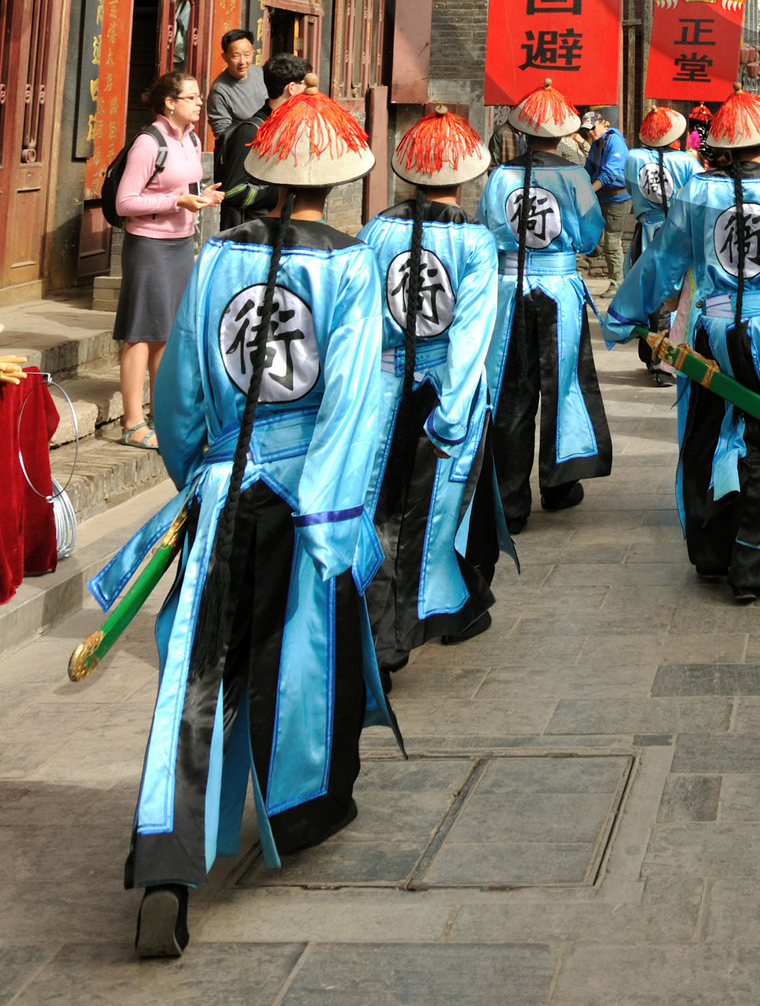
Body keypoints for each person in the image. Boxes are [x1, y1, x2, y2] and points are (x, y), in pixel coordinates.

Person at [105, 92, 390, 958]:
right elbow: (351, 402)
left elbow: (183, 394)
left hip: (224, 484)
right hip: (305, 492)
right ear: (338, 182)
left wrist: (194, 475)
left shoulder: (218, 256)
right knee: (300, 659)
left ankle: (166, 861)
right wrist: (333, 515)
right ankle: (299, 807)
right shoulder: (350, 266)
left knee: (198, 673)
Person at [604, 89, 760, 603]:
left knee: (706, 433)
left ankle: (711, 553)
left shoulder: (698, 190)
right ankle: (752, 564)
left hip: (708, 331)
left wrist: (625, 314)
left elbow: (664, 258)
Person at [360, 106, 502, 675]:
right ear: (464, 178)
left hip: (382, 386)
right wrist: (452, 411)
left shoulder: (375, 231)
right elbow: (472, 333)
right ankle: (401, 629)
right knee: (433, 510)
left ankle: (392, 623)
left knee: (379, 504)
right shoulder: (475, 242)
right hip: (444, 386)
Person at [478, 81, 612, 527]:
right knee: (563, 383)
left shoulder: (500, 176)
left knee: (511, 389)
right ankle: (559, 484)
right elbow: (590, 237)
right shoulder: (575, 177)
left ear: (522, 132)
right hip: (558, 290)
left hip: (508, 289)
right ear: (562, 133)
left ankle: (509, 502)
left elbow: (486, 228)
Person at [113, 73, 224, 452]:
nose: (199, 103)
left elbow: (181, 188)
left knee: (166, 332)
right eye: (191, 97)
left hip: (180, 244)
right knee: (140, 332)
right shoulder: (149, 143)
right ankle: (132, 422)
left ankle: (160, 414)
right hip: (148, 245)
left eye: (199, 96)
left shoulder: (192, 138)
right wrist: (176, 202)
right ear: (169, 103)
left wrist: (201, 196)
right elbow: (125, 202)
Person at [624, 106, 698, 385]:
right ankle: (666, 361)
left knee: (650, 297)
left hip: (647, 233)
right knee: (673, 297)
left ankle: (651, 355)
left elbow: (630, 189)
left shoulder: (633, 158)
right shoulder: (688, 161)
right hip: (677, 234)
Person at [217, 53, 310, 227]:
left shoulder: (288, 127)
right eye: (306, 85)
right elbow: (233, 192)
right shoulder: (251, 132)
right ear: (292, 88)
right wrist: (285, 190)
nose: (311, 92)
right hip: (255, 234)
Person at [583, 108, 632, 292]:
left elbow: (610, 173)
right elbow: (588, 168)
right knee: (597, 238)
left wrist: (589, 191)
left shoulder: (614, 142)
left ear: (602, 123)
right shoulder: (597, 143)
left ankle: (617, 285)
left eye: (593, 127)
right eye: (587, 130)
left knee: (612, 243)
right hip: (601, 198)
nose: (590, 132)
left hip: (617, 198)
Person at [205, 29, 266, 162]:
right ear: (225, 57)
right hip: (245, 156)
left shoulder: (259, 73)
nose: (242, 61)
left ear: (253, 54)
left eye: (247, 55)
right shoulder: (220, 91)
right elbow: (223, 135)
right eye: (236, 56)